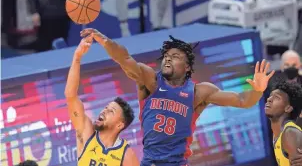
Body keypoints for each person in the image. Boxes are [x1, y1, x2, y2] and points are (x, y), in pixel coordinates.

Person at [80, 29, 274, 166]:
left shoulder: (199, 92)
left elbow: (242, 101)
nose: (168, 59)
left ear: (188, 67)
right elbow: (123, 58)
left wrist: (258, 89)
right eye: (166, 55)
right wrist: (105, 40)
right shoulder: (151, 81)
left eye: (176, 56)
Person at [64, 36, 139, 166]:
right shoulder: (86, 132)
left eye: (111, 111)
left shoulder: (126, 155)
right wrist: (77, 57)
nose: (104, 110)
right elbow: (70, 95)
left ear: (120, 125)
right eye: (106, 108)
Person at [265, 81, 302, 166]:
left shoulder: (290, 133)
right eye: (270, 96)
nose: (269, 99)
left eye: (277, 98)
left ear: (288, 108)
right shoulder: (277, 133)